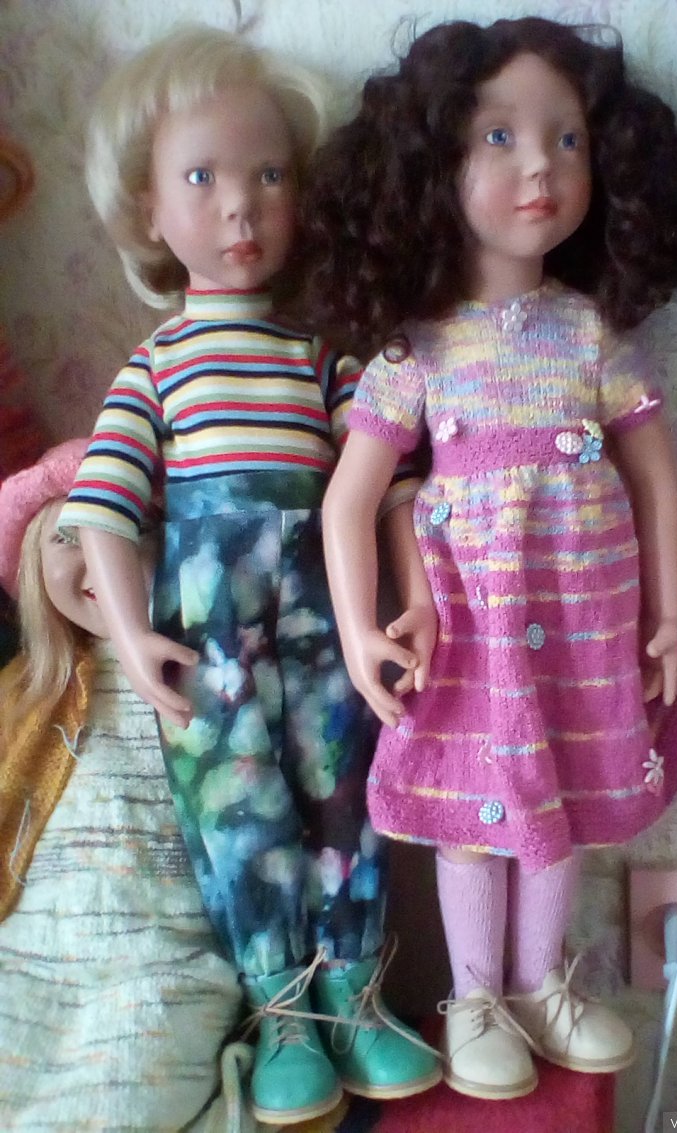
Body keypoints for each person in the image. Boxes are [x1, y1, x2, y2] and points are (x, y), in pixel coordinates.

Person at [304, 17, 677, 1101]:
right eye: (498, 137)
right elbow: (349, 496)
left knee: (565, 799)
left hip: (589, 621)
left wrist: (671, 618)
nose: (540, 166)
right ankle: (474, 998)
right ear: (433, 166)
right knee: (472, 812)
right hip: (470, 630)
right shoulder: (417, 348)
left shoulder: (591, 335)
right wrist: (360, 630)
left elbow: (659, 478)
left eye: (567, 139)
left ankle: (542, 983)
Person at [58, 25, 439, 1126]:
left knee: (343, 785)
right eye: (202, 177)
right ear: (147, 208)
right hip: (206, 620)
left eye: (270, 175)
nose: (241, 207)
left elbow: (388, 484)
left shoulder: (324, 358)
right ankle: (281, 1009)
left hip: (327, 605)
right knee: (236, 807)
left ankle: (355, 991)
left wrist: (412, 594)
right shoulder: (156, 366)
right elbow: (105, 504)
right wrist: (134, 635)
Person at [0, 440, 243, 1131]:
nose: (98, 551)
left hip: (164, 962)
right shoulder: (21, 695)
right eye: (66, 535)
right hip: (25, 953)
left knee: (121, 1098)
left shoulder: (222, 680)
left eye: (130, 525)